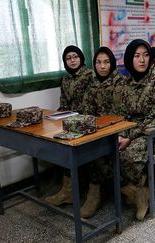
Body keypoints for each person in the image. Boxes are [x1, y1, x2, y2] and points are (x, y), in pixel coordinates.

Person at [81, 39, 155, 221]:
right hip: (130, 131)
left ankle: (140, 193)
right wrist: (119, 133)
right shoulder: (125, 84)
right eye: (137, 56)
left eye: (146, 55)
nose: (142, 60)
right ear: (130, 59)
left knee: (127, 156)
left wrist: (128, 136)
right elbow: (120, 114)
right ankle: (132, 190)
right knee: (99, 150)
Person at [45, 45, 98, 206]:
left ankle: (78, 190)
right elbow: (64, 103)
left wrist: (77, 117)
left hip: (86, 120)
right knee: (55, 140)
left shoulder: (90, 75)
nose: (72, 60)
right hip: (69, 120)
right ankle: (68, 190)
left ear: (81, 58)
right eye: (68, 58)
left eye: (75, 57)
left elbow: (92, 102)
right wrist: (57, 116)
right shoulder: (66, 79)